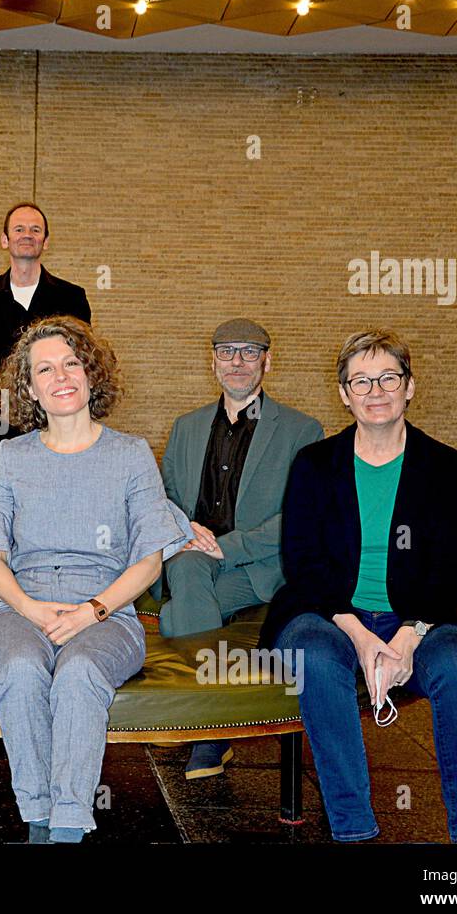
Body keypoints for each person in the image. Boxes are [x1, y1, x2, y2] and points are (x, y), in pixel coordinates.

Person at [0, 315, 191, 843]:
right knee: (19, 668)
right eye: (45, 369)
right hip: (23, 604)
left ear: (90, 373)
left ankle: (66, 825)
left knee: (80, 671)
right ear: (31, 387)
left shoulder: (130, 454)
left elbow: (150, 561)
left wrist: (94, 610)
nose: (60, 376)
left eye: (70, 363)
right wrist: (32, 609)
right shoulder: (11, 457)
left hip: (109, 609)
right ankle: (36, 816)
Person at [261, 329, 457, 843]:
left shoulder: (444, 467)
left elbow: (447, 572)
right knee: (318, 663)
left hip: (420, 616)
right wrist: (363, 639)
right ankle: (354, 831)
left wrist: (408, 637)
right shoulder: (316, 465)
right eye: (360, 381)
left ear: (410, 386)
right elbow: (304, 564)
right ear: (344, 394)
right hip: (326, 614)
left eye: (389, 377)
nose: (376, 391)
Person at [156, 318, 323, 779]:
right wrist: (183, 527)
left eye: (249, 352)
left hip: (258, 568)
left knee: (176, 613)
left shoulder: (300, 430)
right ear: (212, 362)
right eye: (226, 352)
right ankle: (215, 725)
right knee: (187, 567)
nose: (237, 361)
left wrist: (225, 547)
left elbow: (300, 516)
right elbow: (165, 498)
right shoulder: (186, 427)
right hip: (194, 557)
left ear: (268, 362)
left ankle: (206, 727)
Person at [0, 202, 91, 481]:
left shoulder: (72, 299)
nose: (27, 234)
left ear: (45, 241)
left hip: (54, 426)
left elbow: (81, 364)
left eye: (35, 230)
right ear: (4, 239)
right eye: (19, 228)